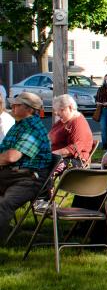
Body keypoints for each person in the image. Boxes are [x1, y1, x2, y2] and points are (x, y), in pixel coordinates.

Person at [0, 92, 52, 239]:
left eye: (17, 104)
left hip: (29, 179)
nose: (12, 106)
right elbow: (4, 152)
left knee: (4, 204)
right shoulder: (19, 125)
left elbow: (11, 156)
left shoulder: (33, 128)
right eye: (13, 103)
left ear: (29, 109)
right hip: (14, 175)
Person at [49, 94, 94, 171]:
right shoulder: (62, 121)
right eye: (56, 110)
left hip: (74, 161)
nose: (56, 113)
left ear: (70, 107)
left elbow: (73, 149)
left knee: (41, 168)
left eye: (61, 109)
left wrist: (50, 155)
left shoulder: (78, 122)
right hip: (58, 157)